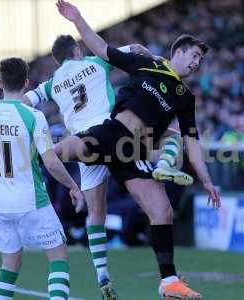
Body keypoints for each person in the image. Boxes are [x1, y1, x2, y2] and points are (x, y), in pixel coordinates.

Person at [55, 1, 220, 299]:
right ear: (178, 52)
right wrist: (78, 20)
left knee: (162, 210)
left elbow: (192, 141)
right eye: (194, 55)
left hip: (134, 152)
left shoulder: (186, 98)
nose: (197, 63)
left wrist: (206, 180)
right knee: (60, 151)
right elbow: (104, 50)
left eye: (200, 60)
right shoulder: (150, 64)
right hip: (113, 134)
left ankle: (169, 282)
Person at [23, 35, 192, 299]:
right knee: (159, 198)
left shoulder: (53, 82)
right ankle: (168, 276)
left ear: (58, 59)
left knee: (96, 213)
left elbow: (25, 102)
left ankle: (102, 274)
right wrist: (157, 62)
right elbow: (135, 49)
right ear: (77, 50)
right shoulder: (95, 61)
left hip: (86, 144)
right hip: (114, 134)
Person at [0, 57, 84, 300]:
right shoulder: (33, 116)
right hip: (32, 200)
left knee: (9, 265)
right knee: (58, 256)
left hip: (0, 204)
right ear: (27, 82)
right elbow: (52, 162)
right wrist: (73, 187)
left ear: (0, 83)